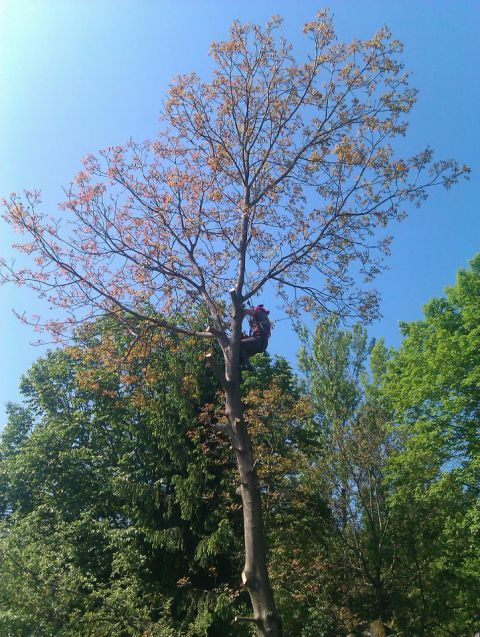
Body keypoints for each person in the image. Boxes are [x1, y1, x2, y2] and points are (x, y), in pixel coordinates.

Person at [239, 304, 271, 371]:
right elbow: (250, 340)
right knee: (240, 355)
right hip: (262, 345)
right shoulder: (263, 321)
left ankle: (247, 365)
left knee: (238, 344)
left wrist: (239, 323)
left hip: (258, 340)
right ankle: (242, 366)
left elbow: (245, 311)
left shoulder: (259, 313)